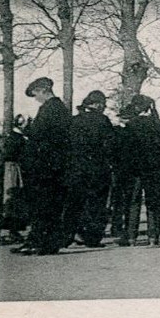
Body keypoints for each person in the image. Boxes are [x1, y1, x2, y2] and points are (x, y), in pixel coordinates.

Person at [14, 77, 71, 255]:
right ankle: (43, 241)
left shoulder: (50, 108)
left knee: (43, 205)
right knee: (50, 205)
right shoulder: (59, 108)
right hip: (55, 164)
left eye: (36, 93)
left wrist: (25, 128)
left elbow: (40, 134)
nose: (36, 97)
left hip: (46, 165)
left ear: (44, 90)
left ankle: (41, 242)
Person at [64, 89, 114, 249]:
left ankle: (68, 235)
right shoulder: (102, 120)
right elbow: (111, 145)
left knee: (75, 203)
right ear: (98, 104)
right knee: (96, 204)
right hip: (98, 168)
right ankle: (92, 238)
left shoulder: (74, 120)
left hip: (76, 168)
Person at [125, 95, 160, 246]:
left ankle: (131, 237)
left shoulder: (131, 125)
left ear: (137, 107)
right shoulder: (159, 124)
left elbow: (126, 150)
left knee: (133, 203)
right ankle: (153, 237)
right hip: (155, 170)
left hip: (135, 171)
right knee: (154, 202)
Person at [107, 101, 141, 246]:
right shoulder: (135, 133)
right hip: (132, 171)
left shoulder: (116, 132)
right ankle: (124, 230)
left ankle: (117, 228)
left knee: (119, 201)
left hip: (119, 170)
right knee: (129, 201)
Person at [0, 114, 29, 244]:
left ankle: (13, 230)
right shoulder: (17, 138)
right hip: (13, 169)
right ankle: (11, 230)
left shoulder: (15, 137)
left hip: (13, 168)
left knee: (14, 198)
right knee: (13, 197)